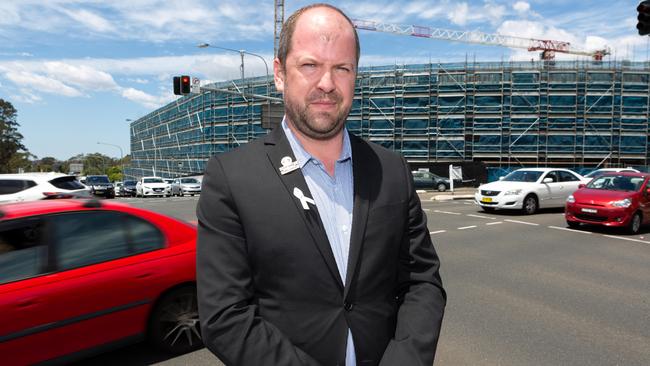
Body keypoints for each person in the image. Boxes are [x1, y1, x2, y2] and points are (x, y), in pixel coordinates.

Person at [196, 3, 446, 366]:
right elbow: (224, 315)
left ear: (355, 75)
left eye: (342, 68)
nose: (327, 83)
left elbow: (422, 283)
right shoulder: (230, 177)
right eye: (310, 65)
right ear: (280, 73)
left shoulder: (392, 170)